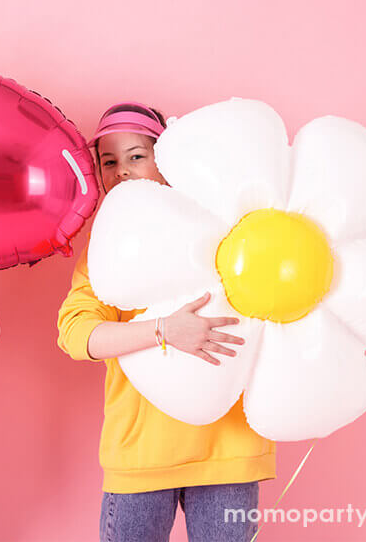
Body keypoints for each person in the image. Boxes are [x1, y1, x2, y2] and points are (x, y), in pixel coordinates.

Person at [57, 103, 275, 542]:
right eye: (109, 161)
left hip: (227, 453)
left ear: (166, 157)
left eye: (137, 156)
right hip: (141, 456)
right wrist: (164, 332)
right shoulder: (106, 250)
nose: (123, 172)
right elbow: (75, 334)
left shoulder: (226, 222)